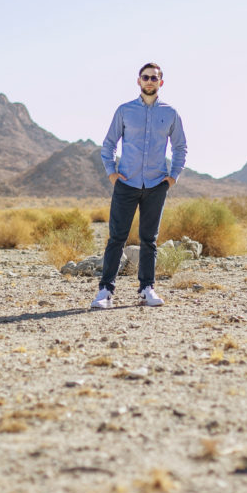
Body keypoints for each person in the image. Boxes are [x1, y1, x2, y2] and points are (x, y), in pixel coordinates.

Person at [91, 62, 187, 309]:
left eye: (154, 78)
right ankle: (105, 292)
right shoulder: (124, 110)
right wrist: (112, 173)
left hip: (156, 184)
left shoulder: (171, 113)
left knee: (149, 240)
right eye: (145, 77)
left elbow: (180, 147)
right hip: (126, 182)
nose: (149, 81)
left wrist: (173, 176)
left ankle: (147, 289)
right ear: (138, 81)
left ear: (161, 83)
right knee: (116, 238)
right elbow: (109, 144)